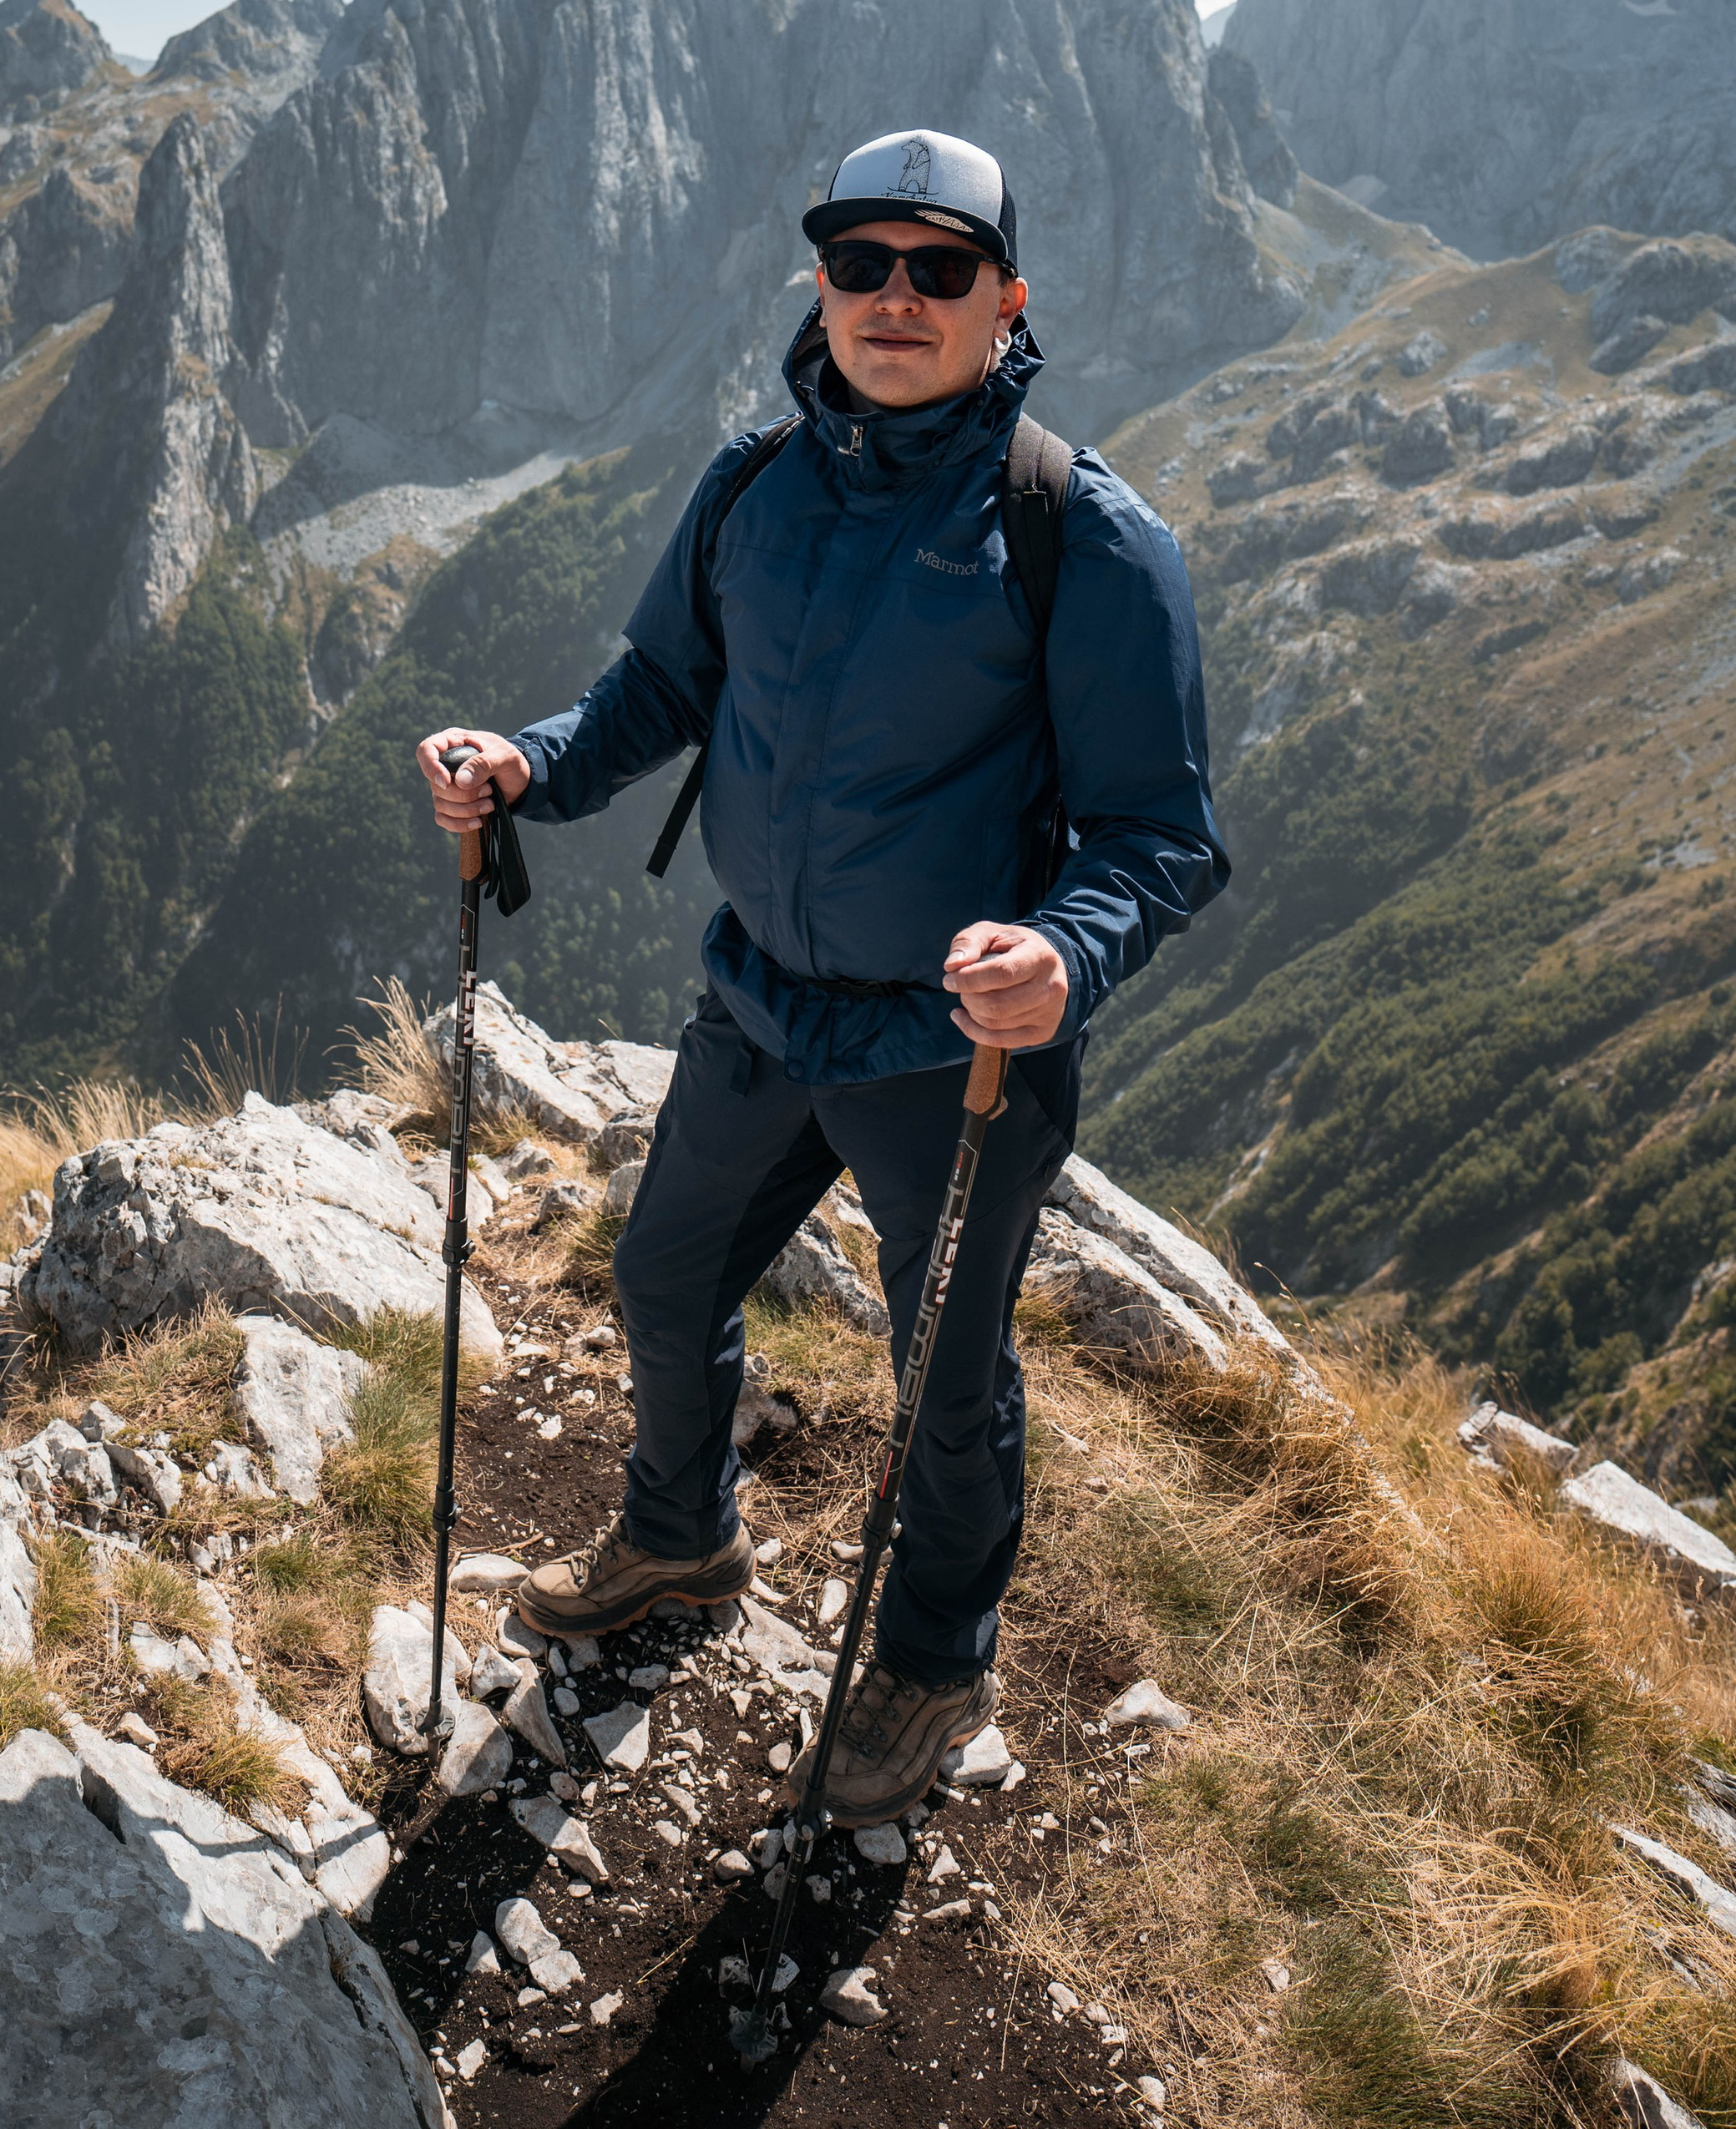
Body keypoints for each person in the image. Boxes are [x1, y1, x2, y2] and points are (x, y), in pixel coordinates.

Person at [417, 128, 1227, 1824]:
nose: (893, 298)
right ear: (819, 286)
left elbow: (1158, 833)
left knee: (945, 1382)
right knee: (660, 1274)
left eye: (939, 268)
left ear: (1007, 300)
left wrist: (1061, 953)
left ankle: (933, 1664)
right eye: (860, 263)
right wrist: (525, 768)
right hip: (762, 1002)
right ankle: (677, 1535)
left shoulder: (1077, 532)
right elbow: (655, 694)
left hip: (953, 1055)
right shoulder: (750, 489)